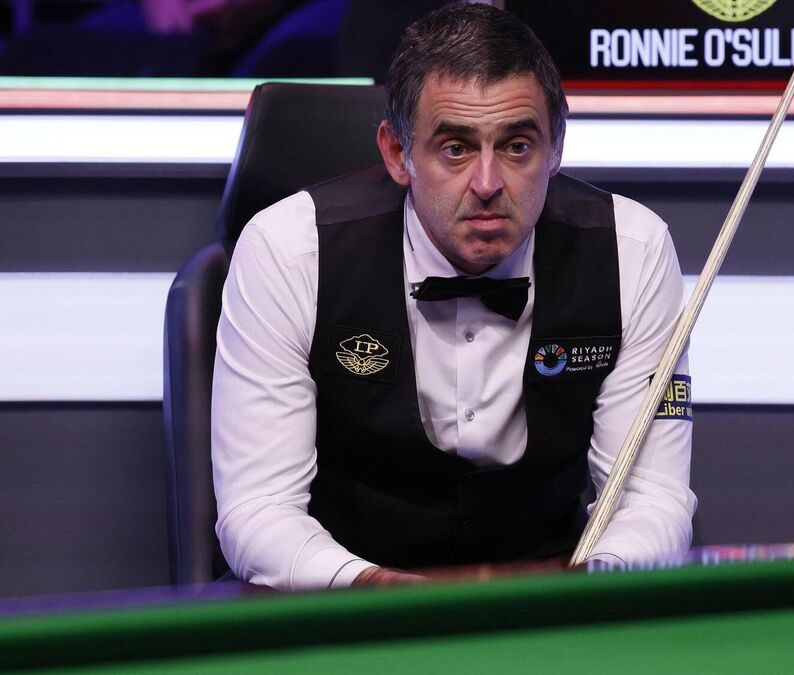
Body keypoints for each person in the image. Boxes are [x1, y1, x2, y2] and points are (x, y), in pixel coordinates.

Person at [210, 2, 697, 589]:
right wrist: (378, 590)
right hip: (346, 600)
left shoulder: (632, 251)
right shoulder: (289, 250)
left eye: (517, 146)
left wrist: (588, 589)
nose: (488, 184)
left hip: (549, 599)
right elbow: (259, 510)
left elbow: (651, 498)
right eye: (455, 148)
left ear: (556, 149)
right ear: (398, 153)